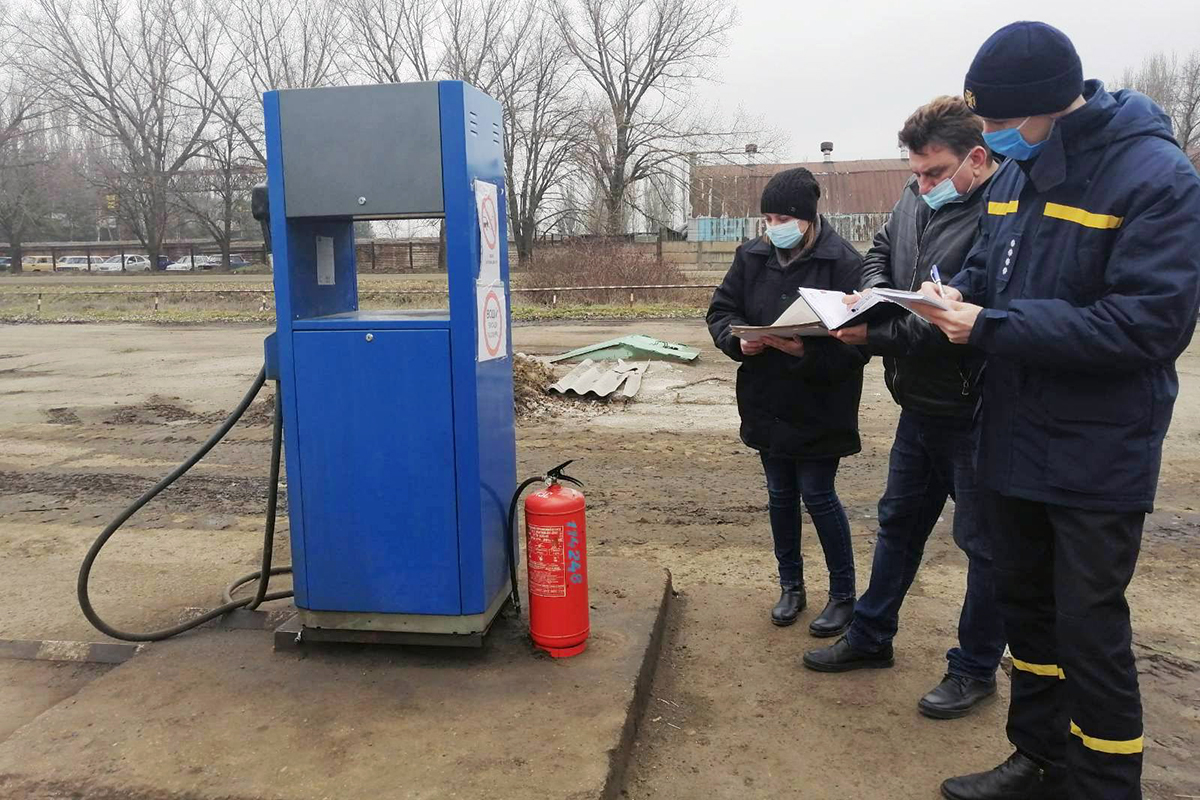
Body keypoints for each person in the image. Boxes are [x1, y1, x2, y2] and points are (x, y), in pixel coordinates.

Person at [914, 22, 1200, 800]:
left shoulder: (1154, 177)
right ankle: (1038, 758)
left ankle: (1104, 783)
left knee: (1088, 628)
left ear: (1052, 104)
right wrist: (954, 295)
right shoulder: (1016, 175)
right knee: (1028, 611)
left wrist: (991, 324)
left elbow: (1147, 326)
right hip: (1014, 432)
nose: (994, 137)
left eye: (1004, 121)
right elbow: (989, 269)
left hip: (1098, 449)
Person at [801, 96, 1006, 721]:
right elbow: (880, 250)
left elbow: (954, 318)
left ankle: (974, 668)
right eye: (914, 172)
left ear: (976, 159)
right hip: (919, 403)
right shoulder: (915, 200)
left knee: (985, 546)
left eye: (934, 172)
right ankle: (871, 635)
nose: (922, 184)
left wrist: (875, 332)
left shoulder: (1002, 215)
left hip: (977, 410)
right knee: (898, 524)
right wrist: (872, 296)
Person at [707, 168, 868, 637]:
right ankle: (791, 587)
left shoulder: (844, 262)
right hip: (766, 398)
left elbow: (861, 344)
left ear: (807, 218)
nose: (773, 226)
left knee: (818, 494)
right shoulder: (751, 256)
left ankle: (843, 595)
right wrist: (739, 341)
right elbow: (722, 310)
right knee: (779, 495)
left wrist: (805, 352)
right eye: (768, 218)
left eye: (783, 218)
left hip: (821, 403)